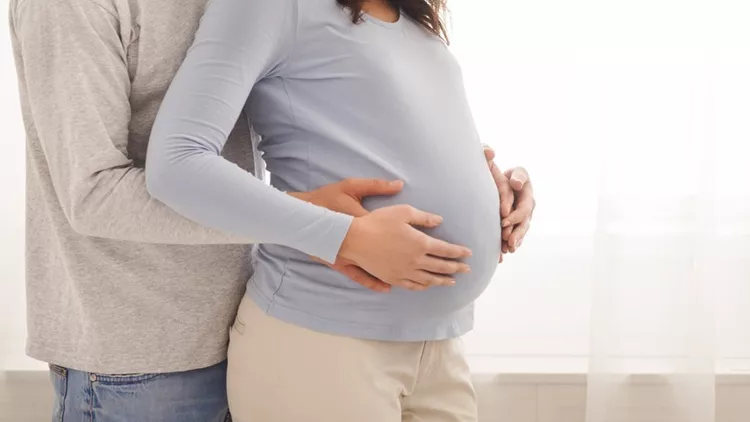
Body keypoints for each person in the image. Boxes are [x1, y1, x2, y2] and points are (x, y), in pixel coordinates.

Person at [8, 0, 534, 420]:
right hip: (139, 356)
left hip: (243, 311)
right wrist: (328, 226)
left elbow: (336, 118)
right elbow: (94, 194)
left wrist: (486, 188)